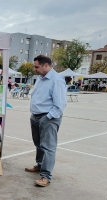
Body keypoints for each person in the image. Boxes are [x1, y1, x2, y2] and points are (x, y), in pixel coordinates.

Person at [25, 55, 66, 187]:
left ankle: (46, 176)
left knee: (48, 147)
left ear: (46, 65)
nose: (35, 69)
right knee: (38, 144)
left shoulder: (57, 80)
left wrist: (47, 117)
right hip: (36, 116)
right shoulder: (40, 78)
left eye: (37, 67)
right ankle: (40, 165)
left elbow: (60, 105)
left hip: (48, 117)